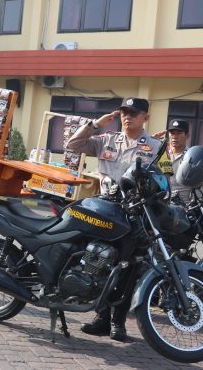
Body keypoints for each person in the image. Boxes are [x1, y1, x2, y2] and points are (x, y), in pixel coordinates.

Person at [66, 97, 162, 342]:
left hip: (135, 215)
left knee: (127, 269)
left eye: (134, 112)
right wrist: (96, 124)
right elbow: (73, 145)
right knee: (98, 262)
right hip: (105, 209)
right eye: (124, 112)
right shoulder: (105, 140)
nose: (127, 116)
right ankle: (101, 318)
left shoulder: (156, 146)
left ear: (145, 118)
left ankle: (118, 322)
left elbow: (165, 181)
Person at [153, 119, 191, 204]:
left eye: (179, 133)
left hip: (182, 208)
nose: (174, 136)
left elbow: (197, 189)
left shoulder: (191, 157)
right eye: (172, 133)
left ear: (187, 135)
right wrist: (151, 145)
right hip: (159, 206)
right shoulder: (160, 153)